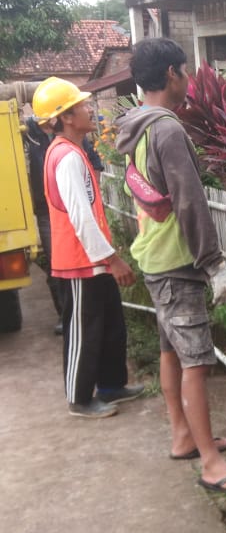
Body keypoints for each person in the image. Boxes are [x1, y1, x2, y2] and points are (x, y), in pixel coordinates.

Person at [115, 38, 226, 494]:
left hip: (155, 256)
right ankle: (211, 463)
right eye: (186, 70)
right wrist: (214, 265)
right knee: (197, 359)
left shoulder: (135, 125)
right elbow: (191, 202)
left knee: (170, 350)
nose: (190, 79)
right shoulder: (168, 130)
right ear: (173, 75)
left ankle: (183, 435)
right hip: (178, 262)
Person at [32, 77, 143, 418]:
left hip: (91, 260)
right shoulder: (67, 158)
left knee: (110, 325)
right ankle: (79, 399)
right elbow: (81, 218)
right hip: (80, 262)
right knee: (84, 331)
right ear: (65, 117)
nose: (90, 109)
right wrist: (113, 259)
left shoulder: (72, 152)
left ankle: (111, 385)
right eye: (83, 106)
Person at [24, 115, 64, 331]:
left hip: (69, 206)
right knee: (55, 262)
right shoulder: (31, 133)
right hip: (46, 211)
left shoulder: (69, 129)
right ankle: (63, 315)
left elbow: (94, 163)